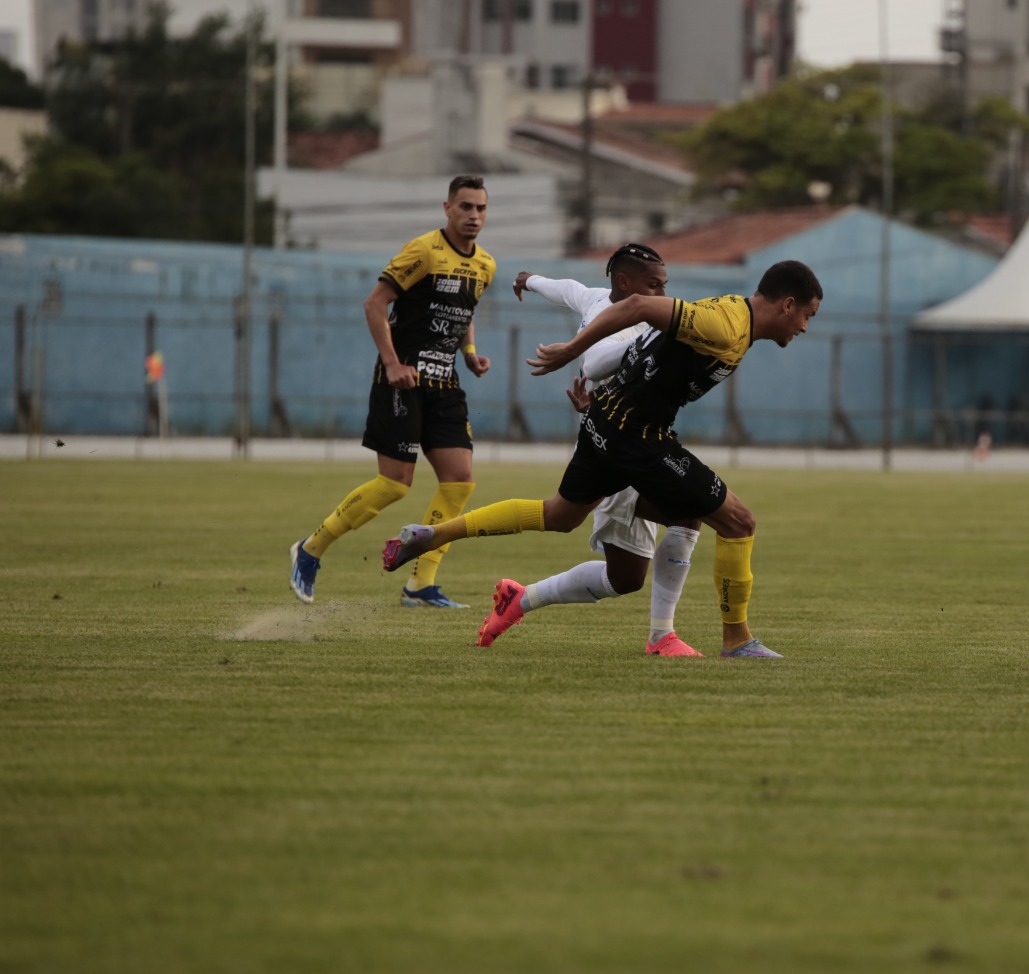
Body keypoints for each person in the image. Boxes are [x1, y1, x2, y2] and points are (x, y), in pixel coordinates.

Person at [379, 260, 824, 659]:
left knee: (560, 515)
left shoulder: (734, 318)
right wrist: (573, 351)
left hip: (606, 421)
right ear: (788, 305)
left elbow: (647, 348)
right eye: (808, 316)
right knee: (737, 521)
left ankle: (431, 536)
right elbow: (636, 307)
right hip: (639, 437)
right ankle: (734, 640)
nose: (804, 327)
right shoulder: (725, 323)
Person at [288, 175, 495, 608]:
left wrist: (471, 353)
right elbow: (374, 303)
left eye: (480, 208)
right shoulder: (423, 251)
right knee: (395, 484)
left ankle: (420, 586)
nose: (473, 215)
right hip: (401, 379)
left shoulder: (485, 265)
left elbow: (463, 313)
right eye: (465, 207)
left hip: (446, 383)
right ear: (447, 208)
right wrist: (392, 362)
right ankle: (311, 548)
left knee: (459, 483)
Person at [495, 244, 704, 656]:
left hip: (633, 439)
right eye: (653, 285)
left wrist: (529, 281)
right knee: (689, 509)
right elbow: (591, 363)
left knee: (625, 579)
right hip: (616, 448)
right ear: (624, 283)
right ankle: (663, 637)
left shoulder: (609, 303)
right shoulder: (633, 324)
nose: (661, 296)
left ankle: (519, 598)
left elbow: (563, 287)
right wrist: (651, 337)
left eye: (664, 287)